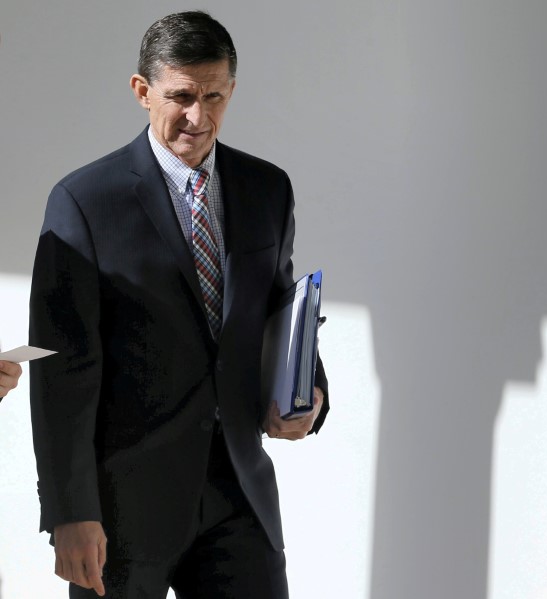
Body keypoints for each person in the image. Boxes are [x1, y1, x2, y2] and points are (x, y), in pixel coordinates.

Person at [29, 11, 329, 598]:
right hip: (122, 509)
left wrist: (308, 391)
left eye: (215, 95)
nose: (199, 116)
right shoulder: (84, 202)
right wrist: (69, 512)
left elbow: (277, 312)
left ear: (232, 89)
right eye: (182, 96)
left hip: (240, 497)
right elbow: (63, 373)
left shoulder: (268, 188)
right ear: (143, 92)